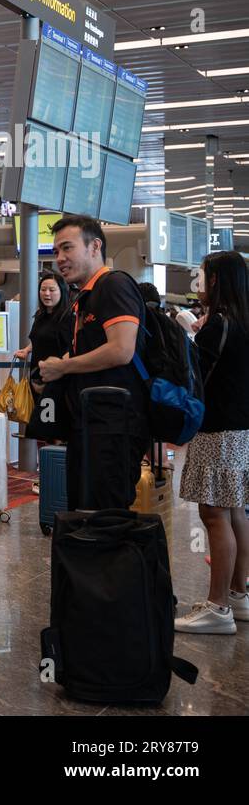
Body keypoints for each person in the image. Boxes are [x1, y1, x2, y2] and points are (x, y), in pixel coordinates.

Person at [38, 216, 149, 511]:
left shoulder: (113, 286)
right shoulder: (86, 296)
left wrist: (64, 367)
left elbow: (122, 349)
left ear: (94, 246)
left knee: (105, 518)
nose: (60, 258)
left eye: (67, 248)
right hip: (91, 424)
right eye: (56, 251)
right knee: (85, 512)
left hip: (113, 426)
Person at [175, 251, 249, 633]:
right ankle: (238, 594)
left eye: (204, 276)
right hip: (240, 430)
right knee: (235, 512)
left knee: (214, 515)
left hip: (218, 430)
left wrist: (189, 333)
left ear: (218, 279)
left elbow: (197, 372)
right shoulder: (242, 320)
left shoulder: (218, 323)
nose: (200, 282)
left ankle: (217, 607)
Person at [14, 270, 75, 443]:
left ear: (62, 291)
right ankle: (44, 468)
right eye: (43, 289)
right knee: (40, 431)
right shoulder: (41, 315)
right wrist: (27, 350)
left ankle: (55, 468)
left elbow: (73, 347)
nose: (47, 294)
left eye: (52, 290)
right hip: (37, 379)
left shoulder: (68, 317)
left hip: (56, 383)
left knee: (52, 431)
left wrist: (56, 369)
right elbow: (39, 338)